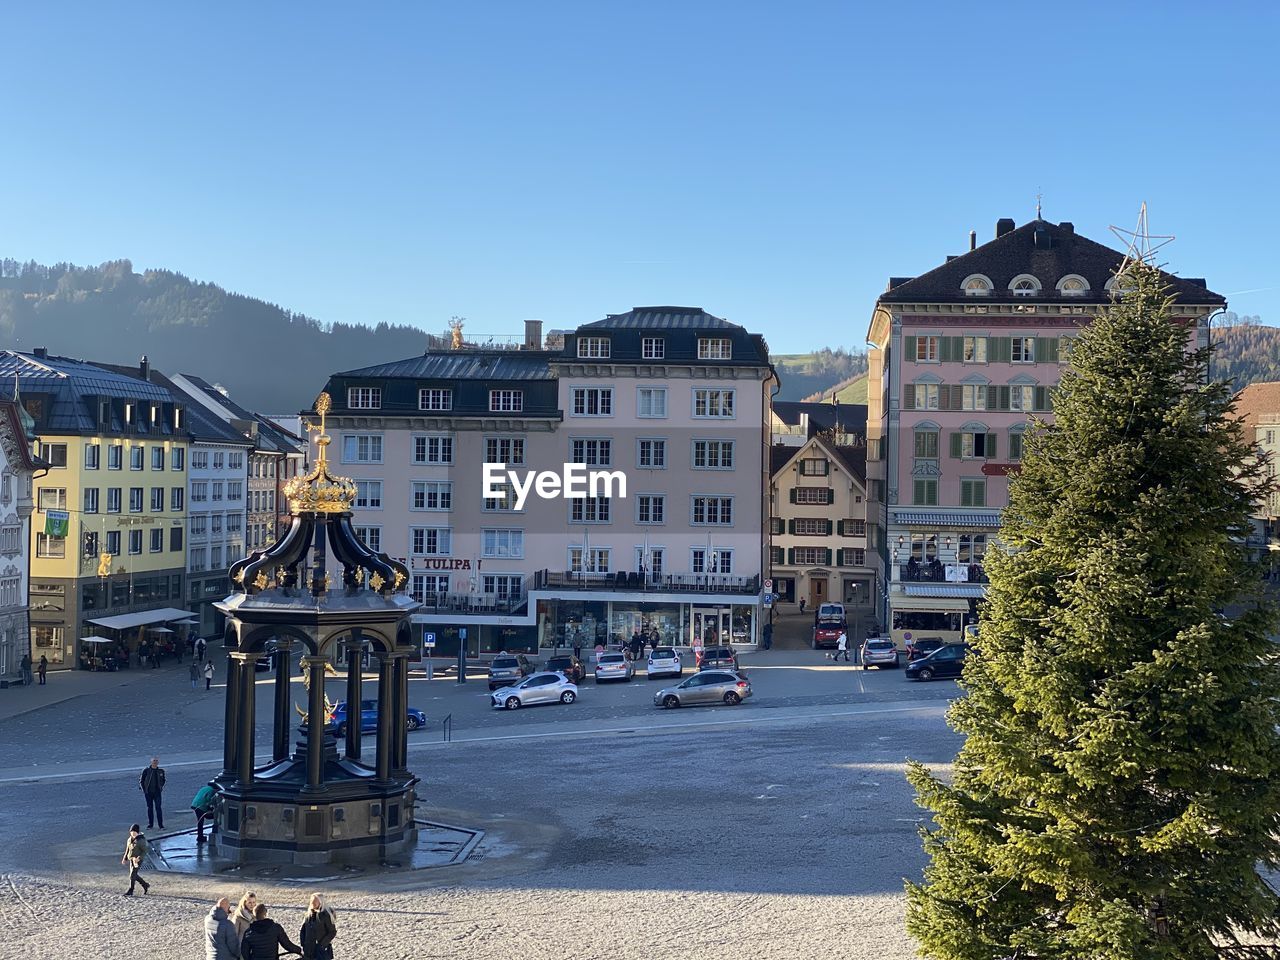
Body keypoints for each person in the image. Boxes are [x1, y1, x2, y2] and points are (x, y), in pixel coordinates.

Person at [300, 893, 338, 960]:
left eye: (315, 901)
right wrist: (303, 944)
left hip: (321, 951)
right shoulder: (308, 915)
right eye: (312, 901)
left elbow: (332, 932)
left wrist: (321, 945)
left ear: (321, 902)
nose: (313, 903)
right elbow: (303, 930)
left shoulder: (325, 915)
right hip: (308, 949)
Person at [205, 896, 240, 960]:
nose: (229, 911)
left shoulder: (207, 919)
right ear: (225, 908)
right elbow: (233, 946)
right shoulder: (228, 924)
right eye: (228, 907)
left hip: (210, 957)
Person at [121, 823, 150, 896]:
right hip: (131, 859)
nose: (132, 834)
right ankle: (145, 885)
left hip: (138, 860)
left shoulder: (141, 841)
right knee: (134, 875)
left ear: (137, 832)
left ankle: (131, 890)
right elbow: (127, 849)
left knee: (132, 875)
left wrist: (139, 858)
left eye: (134, 832)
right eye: (131, 832)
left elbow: (145, 851)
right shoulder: (129, 839)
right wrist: (125, 858)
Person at [140, 756, 166, 829]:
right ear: (151, 762)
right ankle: (150, 824)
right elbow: (142, 780)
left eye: (156, 761)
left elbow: (163, 780)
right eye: (154, 761)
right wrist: (145, 790)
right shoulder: (146, 771)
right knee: (150, 808)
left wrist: (160, 787)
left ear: (158, 762)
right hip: (148, 793)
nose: (155, 762)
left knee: (158, 808)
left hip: (157, 793)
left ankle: (161, 825)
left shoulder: (161, 771)